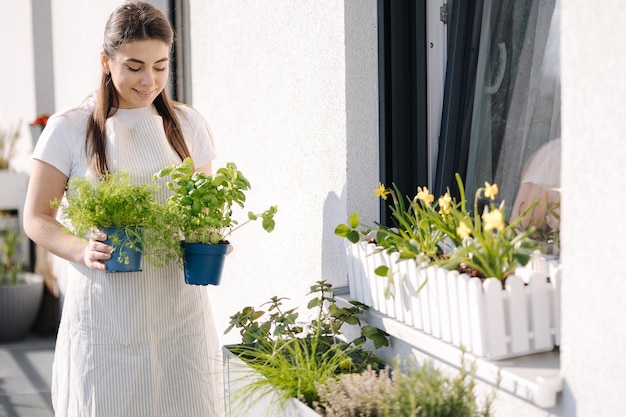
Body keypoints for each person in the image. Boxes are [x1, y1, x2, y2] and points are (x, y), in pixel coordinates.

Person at [23, 2, 223, 416]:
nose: (149, 80)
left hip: (179, 315)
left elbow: (204, 209)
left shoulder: (188, 125)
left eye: (160, 66)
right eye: (134, 66)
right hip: (104, 316)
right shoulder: (69, 128)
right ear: (106, 61)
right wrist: (80, 249)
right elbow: (37, 218)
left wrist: (210, 237)